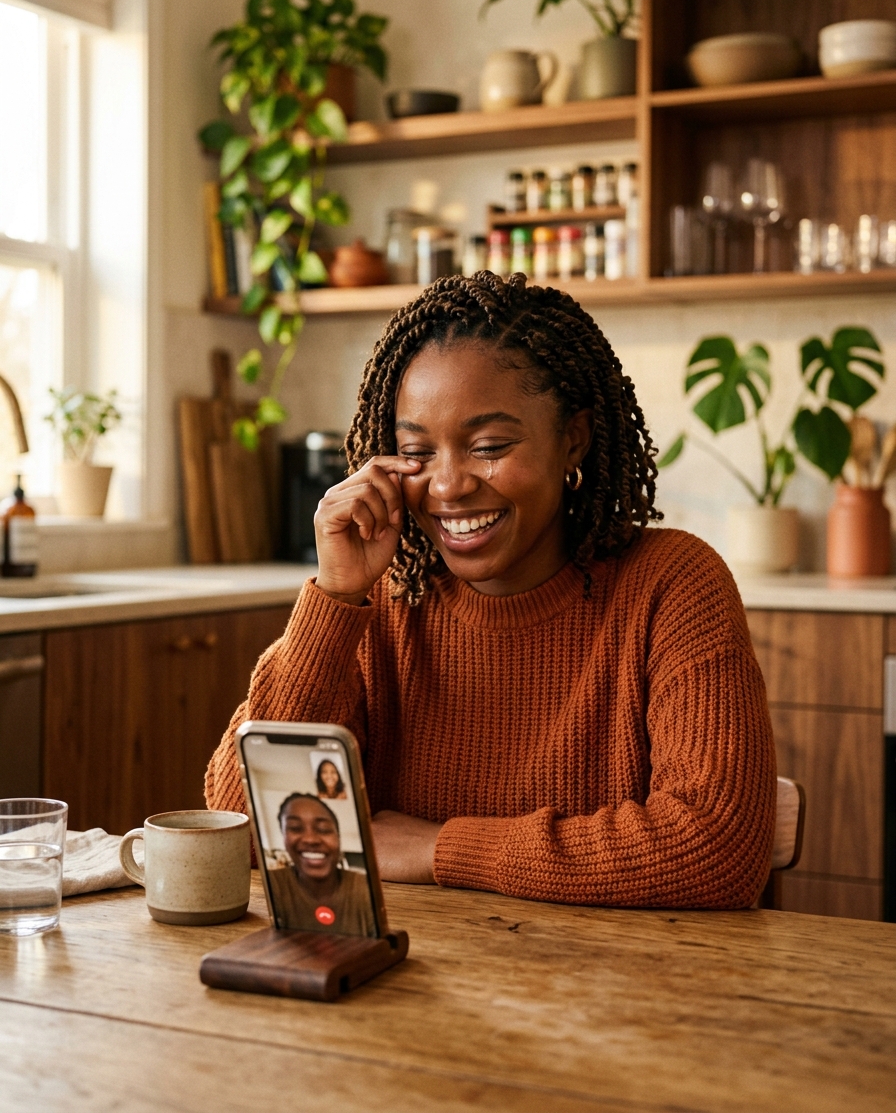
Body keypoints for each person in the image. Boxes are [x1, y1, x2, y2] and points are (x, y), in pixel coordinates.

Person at [207, 272, 776, 909]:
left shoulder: (672, 585)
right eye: (416, 451)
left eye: (489, 446)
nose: (447, 486)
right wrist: (336, 599)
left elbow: (715, 849)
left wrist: (437, 848)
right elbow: (239, 820)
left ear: (574, 440)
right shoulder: (388, 604)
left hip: (616, 992)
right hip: (416, 985)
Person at [266, 792, 376, 935]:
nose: (310, 839)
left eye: (323, 829)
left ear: (338, 837)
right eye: (295, 828)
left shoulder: (365, 888)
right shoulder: (273, 884)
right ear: (284, 837)